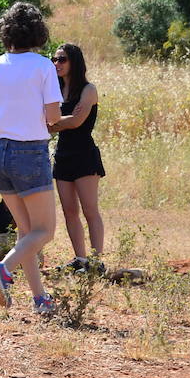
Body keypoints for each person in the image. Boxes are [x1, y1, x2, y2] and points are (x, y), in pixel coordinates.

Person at [0, 2, 63, 315]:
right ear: (38, 32)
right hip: (29, 151)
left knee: (26, 232)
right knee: (45, 232)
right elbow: (53, 117)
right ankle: (3, 269)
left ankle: (40, 299)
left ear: (5, 32)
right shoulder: (43, 67)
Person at [49, 42, 105, 271]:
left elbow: (76, 121)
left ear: (75, 62)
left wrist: (51, 123)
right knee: (69, 211)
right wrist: (57, 122)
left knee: (90, 209)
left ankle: (97, 261)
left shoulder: (88, 89)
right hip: (63, 155)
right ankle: (80, 259)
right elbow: (62, 120)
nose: (57, 64)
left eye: (62, 59)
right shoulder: (54, 89)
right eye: (55, 59)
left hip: (84, 154)